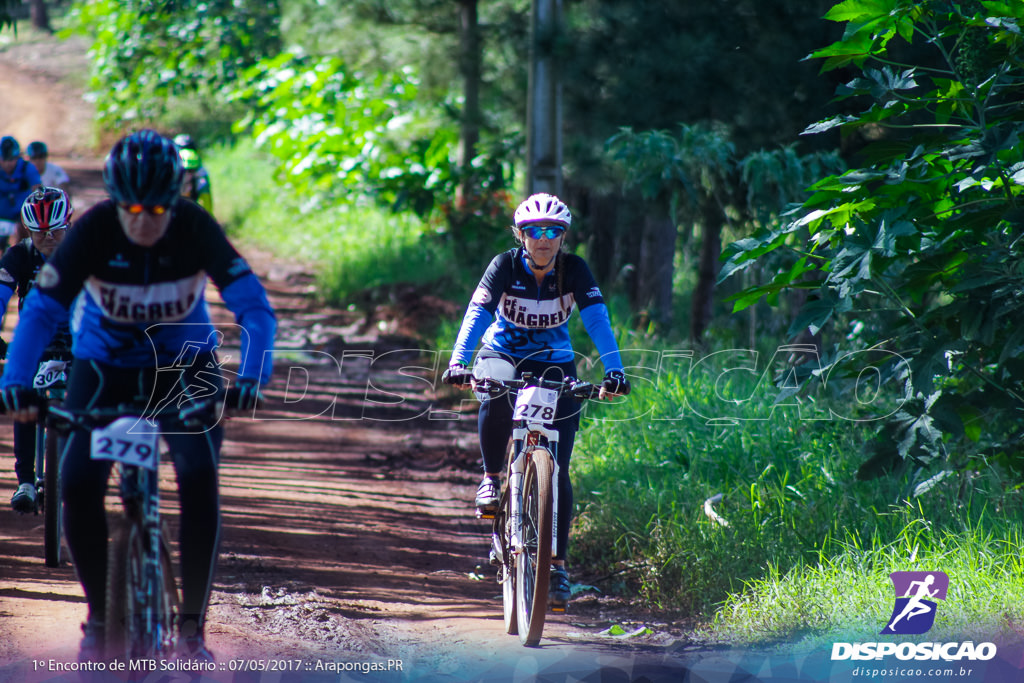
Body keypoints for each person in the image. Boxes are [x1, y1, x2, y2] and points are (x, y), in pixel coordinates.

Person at [0, 130, 277, 662]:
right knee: (78, 485)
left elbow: (254, 308)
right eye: (132, 208)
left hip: (184, 364)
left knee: (198, 478)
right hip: (103, 367)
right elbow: (41, 311)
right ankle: (100, 619)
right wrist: (15, 381)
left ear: (175, 200)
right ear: (114, 199)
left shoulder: (195, 226)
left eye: (156, 208)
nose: (144, 221)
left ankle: (192, 629)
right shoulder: (94, 230)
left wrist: (252, 378)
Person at [441, 192, 631, 609]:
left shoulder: (574, 269)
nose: (543, 240)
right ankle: (492, 478)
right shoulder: (504, 266)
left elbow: (597, 320)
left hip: (554, 361)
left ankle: (558, 566)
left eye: (552, 232)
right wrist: (459, 361)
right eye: (534, 232)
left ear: (563, 237)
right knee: (493, 382)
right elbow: (477, 314)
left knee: (559, 468)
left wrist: (614, 369)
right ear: (520, 235)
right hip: (502, 352)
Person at [2, 187, 74, 513]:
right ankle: (26, 482)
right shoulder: (19, 256)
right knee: (22, 396)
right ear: (29, 230)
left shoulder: (87, 253)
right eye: (40, 232)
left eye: (55, 230)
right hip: (34, 342)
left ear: (69, 224)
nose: (48, 238)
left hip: (81, 340)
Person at [0, 136, 42, 252]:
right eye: (5, 159)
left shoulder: (27, 168)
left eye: (12, 159)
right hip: (1, 214)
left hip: (21, 215)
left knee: (22, 233)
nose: (9, 163)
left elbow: (38, 192)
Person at [174, 134, 213, 214]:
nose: (188, 174)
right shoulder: (200, 170)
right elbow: (206, 199)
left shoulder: (172, 163)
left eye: (190, 171)